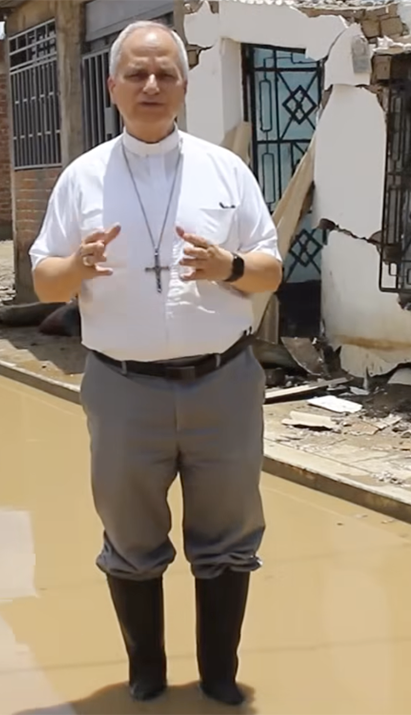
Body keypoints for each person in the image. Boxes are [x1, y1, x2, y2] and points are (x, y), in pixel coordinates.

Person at [29, 20, 282, 707]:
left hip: (223, 382)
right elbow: (44, 283)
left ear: (184, 86)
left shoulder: (225, 171)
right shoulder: (83, 178)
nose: (150, 86)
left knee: (228, 535)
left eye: (164, 74)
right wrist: (77, 265)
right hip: (123, 388)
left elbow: (270, 268)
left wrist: (228, 265)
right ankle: (145, 671)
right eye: (136, 74)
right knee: (130, 534)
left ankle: (220, 674)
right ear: (112, 86)